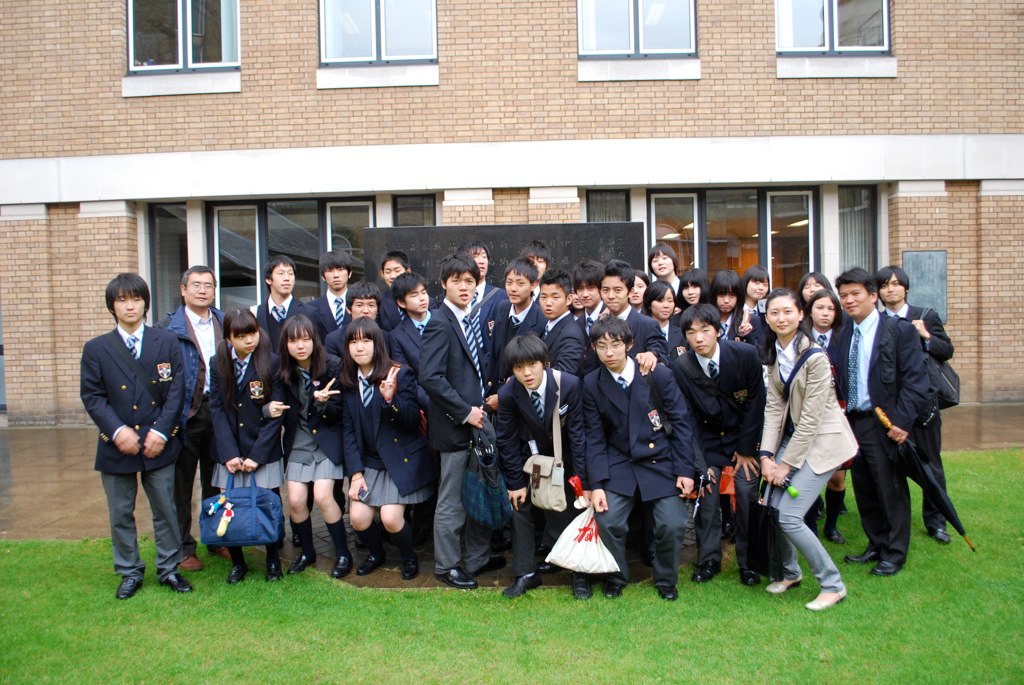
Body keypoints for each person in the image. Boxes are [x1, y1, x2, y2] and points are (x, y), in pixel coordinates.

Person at [81, 273, 191, 600]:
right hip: (117, 446)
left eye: (136, 299)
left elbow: (177, 391)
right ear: (112, 306)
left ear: (146, 303)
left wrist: (161, 431)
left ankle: (169, 568)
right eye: (122, 300)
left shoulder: (166, 342)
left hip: (160, 443)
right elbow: (93, 396)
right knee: (120, 513)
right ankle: (129, 571)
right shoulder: (97, 348)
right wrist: (117, 431)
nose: (130, 306)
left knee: (166, 509)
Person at [758, 288, 858, 611]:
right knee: (772, 506)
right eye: (774, 313)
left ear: (800, 314)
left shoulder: (815, 357)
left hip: (824, 443)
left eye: (788, 311)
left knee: (789, 515)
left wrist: (784, 466)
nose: (781, 318)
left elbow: (812, 419)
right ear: (767, 318)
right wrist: (766, 456)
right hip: (794, 439)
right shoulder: (774, 353)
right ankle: (790, 573)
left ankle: (832, 584)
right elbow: (774, 408)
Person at [583, 318, 696, 601]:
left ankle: (666, 580)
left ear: (630, 345)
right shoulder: (592, 383)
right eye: (601, 346)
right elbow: (594, 437)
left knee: (672, 523)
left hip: (659, 460)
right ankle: (616, 576)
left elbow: (681, 423)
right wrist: (596, 484)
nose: (609, 352)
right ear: (594, 349)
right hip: (619, 461)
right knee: (608, 521)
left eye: (615, 345)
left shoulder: (657, 375)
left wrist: (685, 470)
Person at [833, 268, 931, 577]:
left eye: (856, 294)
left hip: (885, 423)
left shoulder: (897, 331)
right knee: (864, 487)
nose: (849, 301)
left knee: (890, 488)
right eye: (844, 296)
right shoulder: (845, 332)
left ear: (873, 296)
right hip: (855, 422)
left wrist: (901, 422)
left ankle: (894, 553)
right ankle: (876, 543)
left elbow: (916, 381)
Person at [419, 253, 505, 589]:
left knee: (479, 492)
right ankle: (447, 565)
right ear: (444, 284)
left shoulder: (468, 318)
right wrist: (465, 411)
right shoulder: (440, 322)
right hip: (456, 427)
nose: (464, 287)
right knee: (453, 500)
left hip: (479, 422)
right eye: (457, 281)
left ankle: (477, 559)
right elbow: (431, 377)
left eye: (470, 281)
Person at [671, 304, 765, 586]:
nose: (699, 338)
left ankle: (749, 562)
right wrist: (700, 465)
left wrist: (747, 450)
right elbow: (686, 419)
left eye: (705, 330)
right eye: (691, 333)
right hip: (707, 439)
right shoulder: (681, 367)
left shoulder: (746, 354)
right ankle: (708, 559)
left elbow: (756, 404)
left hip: (742, 437)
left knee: (746, 494)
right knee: (707, 496)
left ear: (718, 330)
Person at [495, 335, 589, 599]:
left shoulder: (568, 384)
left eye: (532, 365)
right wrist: (515, 483)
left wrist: (581, 479)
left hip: (566, 458)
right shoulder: (508, 394)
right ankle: (526, 573)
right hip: (531, 461)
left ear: (545, 362)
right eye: (518, 368)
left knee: (573, 508)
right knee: (518, 505)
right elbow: (506, 440)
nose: (527, 373)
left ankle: (579, 573)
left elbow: (579, 436)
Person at [341, 318, 435, 580]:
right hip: (370, 463)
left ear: (378, 344)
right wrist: (356, 474)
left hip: (399, 459)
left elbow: (413, 420)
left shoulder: (399, 374)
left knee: (391, 518)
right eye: (353, 342)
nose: (360, 347)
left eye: (366, 340)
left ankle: (408, 556)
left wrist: (390, 399)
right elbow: (348, 431)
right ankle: (376, 554)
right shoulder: (348, 382)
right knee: (358, 518)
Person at [876, 265, 955, 544]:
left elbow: (947, 350)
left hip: (923, 406)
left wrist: (927, 336)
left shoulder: (925, 315)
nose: (890, 289)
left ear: (905, 288)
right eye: (884, 285)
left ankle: (937, 522)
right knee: (891, 468)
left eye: (896, 284)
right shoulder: (876, 321)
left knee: (930, 466)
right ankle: (893, 522)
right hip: (889, 408)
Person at [269, 315, 352, 579]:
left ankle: (343, 553)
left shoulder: (333, 366)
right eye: (293, 341)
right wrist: (267, 409)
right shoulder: (283, 372)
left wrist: (323, 403)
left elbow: (340, 413)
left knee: (323, 496)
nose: (300, 346)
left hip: (327, 440)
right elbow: (275, 405)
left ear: (314, 340)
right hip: (299, 442)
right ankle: (307, 552)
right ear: (285, 344)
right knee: (295, 500)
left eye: (305, 339)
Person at [208, 309, 286, 584]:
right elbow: (217, 409)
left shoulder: (272, 362)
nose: (249, 340)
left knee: (268, 504)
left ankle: (273, 559)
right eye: (240, 336)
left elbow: (277, 412)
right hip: (230, 448)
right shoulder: (218, 363)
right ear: (229, 338)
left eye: (252, 333)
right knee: (230, 504)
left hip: (262, 448)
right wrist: (229, 453)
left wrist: (257, 455)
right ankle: (238, 562)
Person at [158, 265, 225, 572]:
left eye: (208, 285)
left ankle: (216, 538)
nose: (202, 290)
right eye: (196, 285)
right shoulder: (167, 329)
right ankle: (185, 547)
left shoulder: (224, 322)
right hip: (187, 413)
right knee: (182, 484)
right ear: (183, 289)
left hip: (219, 411)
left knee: (216, 481)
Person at [805, 288, 850, 544]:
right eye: (820, 308)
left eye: (831, 309)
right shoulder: (800, 338)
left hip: (838, 412)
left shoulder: (845, 338)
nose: (825, 313)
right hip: (808, 414)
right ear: (809, 311)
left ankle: (831, 526)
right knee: (809, 474)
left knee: (836, 476)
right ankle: (809, 525)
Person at [487, 258, 545, 398]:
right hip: (494, 390)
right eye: (509, 282)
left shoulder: (541, 319)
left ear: (533, 285)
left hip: (521, 395)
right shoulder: (502, 308)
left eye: (520, 283)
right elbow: (494, 354)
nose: (513, 289)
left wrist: (503, 396)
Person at [599, 260, 669, 368]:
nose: (611, 296)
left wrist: (652, 355)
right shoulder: (599, 325)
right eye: (605, 290)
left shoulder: (648, 324)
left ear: (631, 292)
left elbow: (662, 355)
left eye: (617, 290)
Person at [538, 268, 586, 375]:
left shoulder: (571, 335)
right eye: (543, 297)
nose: (548, 303)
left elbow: (563, 374)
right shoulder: (545, 325)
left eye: (555, 297)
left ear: (569, 299)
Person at [254, 255, 306, 349]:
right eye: (281, 273)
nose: (287, 278)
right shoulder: (255, 313)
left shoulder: (309, 312)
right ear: (268, 280)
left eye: (290, 273)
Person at [306, 249, 353, 344]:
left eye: (340, 269)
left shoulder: (360, 305)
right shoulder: (310, 308)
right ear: (323, 276)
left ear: (349, 273)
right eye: (330, 270)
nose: (336, 275)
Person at [324, 280, 381, 358]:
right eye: (359, 305)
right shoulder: (334, 340)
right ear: (348, 309)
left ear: (378, 309)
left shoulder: (386, 338)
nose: (365, 311)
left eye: (371, 305)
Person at [710, 269, 762, 349]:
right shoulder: (704, 320)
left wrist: (744, 336)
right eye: (722, 295)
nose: (726, 301)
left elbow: (757, 352)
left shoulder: (752, 321)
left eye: (732, 295)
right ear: (714, 295)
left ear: (738, 297)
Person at [572, 259, 606, 377]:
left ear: (601, 288)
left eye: (590, 288)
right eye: (580, 289)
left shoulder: (614, 317)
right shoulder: (575, 324)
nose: (585, 294)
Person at [643, 280, 685, 361]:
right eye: (660, 301)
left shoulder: (681, 333)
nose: (666, 305)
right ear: (649, 304)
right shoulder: (640, 331)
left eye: (670, 301)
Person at [378, 250, 411, 332]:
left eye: (397, 271)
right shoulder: (379, 302)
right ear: (382, 274)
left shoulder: (426, 301)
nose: (392, 276)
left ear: (408, 271)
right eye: (388, 272)